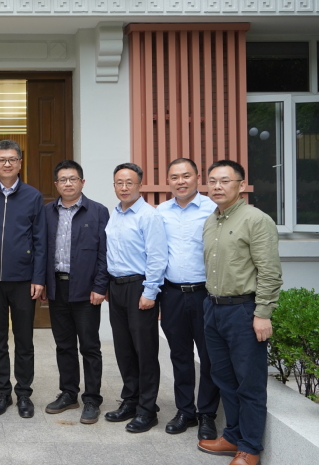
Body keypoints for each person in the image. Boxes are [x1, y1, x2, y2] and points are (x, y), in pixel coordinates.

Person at [198, 160, 282, 465]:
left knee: (249, 382)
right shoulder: (211, 220)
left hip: (244, 310)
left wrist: (263, 313)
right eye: (212, 181)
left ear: (241, 185)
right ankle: (232, 436)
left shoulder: (256, 220)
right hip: (213, 308)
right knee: (223, 378)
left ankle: (249, 448)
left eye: (225, 180)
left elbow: (269, 271)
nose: (217, 186)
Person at [0, 139, 46, 418]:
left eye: (12, 159)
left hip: (23, 279)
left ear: (19, 163)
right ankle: (2, 393)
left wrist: (38, 277)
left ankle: (24, 393)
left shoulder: (33, 196)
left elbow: (40, 240)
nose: (7, 164)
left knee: (24, 339)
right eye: (1, 159)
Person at [42, 160, 110, 425]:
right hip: (57, 287)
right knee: (64, 345)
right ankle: (69, 393)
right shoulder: (47, 212)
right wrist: (44, 283)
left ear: (82, 182)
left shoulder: (98, 211)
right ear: (56, 184)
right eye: (63, 179)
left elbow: (105, 252)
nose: (68, 183)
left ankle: (92, 399)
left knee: (90, 346)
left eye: (73, 179)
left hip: (86, 289)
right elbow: (41, 250)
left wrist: (100, 286)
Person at [157, 158, 220, 439]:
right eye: (174, 177)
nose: (180, 181)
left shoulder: (213, 209)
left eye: (186, 176)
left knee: (209, 356)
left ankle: (207, 414)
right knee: (179, 355)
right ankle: (185, 411)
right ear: (168, 181)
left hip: (205, 294)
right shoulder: (161, 212)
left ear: (197, 178)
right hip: (171, 293)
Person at [104, 162, 168, 433]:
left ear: (140, 185)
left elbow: (157, 256)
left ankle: (147, 409)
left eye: (129, 182)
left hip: (140, 287)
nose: (124, 187)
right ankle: (130, 400)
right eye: (119, 182)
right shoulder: (115, 214)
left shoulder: (149, 215)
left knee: (145, 350)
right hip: (116, 288)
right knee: (124, 348)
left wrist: (150, 292)